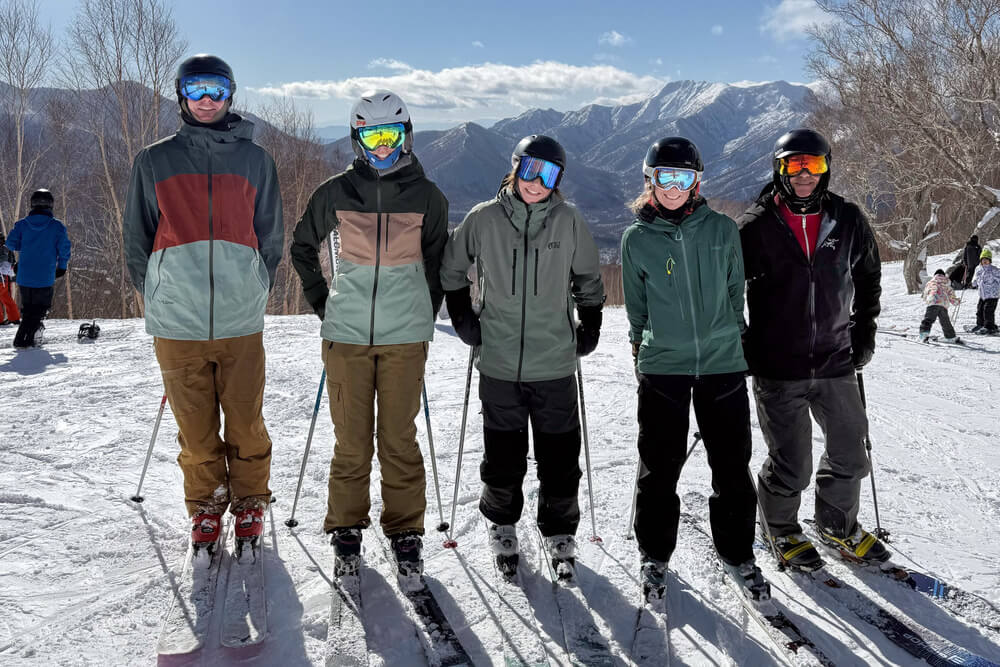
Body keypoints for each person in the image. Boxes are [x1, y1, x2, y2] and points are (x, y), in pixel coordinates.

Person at [123, 54, 283, 560]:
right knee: (194, 426)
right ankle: (207, 506)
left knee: (245, 421)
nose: (207, 99)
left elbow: (270, 234)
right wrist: (157, 292)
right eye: (196, 89)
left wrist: (256, 283)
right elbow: (137, 237)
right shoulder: (155, 160)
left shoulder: (256, 160)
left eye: (216, 88)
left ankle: (251, 501)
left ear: (231, 94)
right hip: (178, 321)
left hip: (239, 317)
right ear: (181, 96)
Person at [290, 90, 448, 580]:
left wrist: (423, 311)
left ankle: (405, 531)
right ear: (357, 138)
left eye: (392, 136)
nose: (383, 147)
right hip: (347, 338)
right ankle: (346, 528)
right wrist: (324, 303)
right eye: (372, 137)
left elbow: (440, 265)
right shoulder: (335, 192)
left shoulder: (427, 197)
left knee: (398, 438)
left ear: (406, 136)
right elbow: (301, 248)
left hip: (404, 341)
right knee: (352, 442)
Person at [440, 134, 604, 579]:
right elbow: (452, 268)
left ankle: (559, 530)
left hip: (554, 363)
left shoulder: (568, 221)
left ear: (557, 180)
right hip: (499, 360)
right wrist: (462, 315)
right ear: (515, 170)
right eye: (530, 170)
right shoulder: (484, 219)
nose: (537, 182)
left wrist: (590, 321)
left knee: (560, 455)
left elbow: (588, 277)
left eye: (548, 174)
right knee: (503, 456)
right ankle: (502, 524)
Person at [621, 137, 769, 602]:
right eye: (664, 177)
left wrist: (728, 336)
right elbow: (636, 308)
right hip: (663, 367)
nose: (673, 187)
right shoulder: (636, 239)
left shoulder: (722, 230)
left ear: (696, 182)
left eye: (682, 178)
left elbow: (733, 293)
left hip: (722, 365)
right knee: (659, 469)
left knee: (731, 467)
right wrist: (640, 351)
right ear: (650, 180)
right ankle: (654, 555)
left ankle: (739, 553)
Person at [738, 129, 885, 573]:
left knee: (850, 452)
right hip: (778, 367)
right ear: (780, 169)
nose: (805, 175)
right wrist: (744, 342)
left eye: (814, 165)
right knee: (792, 462)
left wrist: (863, 333)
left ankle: (836, 524)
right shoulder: (756, 226)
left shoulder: (847, 218)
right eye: (795, 166)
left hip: (836, 359)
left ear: (826, 168)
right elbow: (728, 292)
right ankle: (781, 528)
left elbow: (869, 278)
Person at [5, 189, 70, 348]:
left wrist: (26, 244)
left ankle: (26, 339)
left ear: (32, 204)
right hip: (45, 275)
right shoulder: (57, 226)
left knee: (28, 309)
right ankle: (22, 340)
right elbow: (64, 249)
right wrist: (61, 267)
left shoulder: (22, 224)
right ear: (51, 205)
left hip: (25, 274)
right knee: (40, 310)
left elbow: (11, 243)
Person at [918, 270, 959, 342]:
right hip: (943, 304)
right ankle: (951, 337)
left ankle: (923, 335)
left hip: (933, 301)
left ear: (935, 275)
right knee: (945, 322)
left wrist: (925, 298)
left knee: (929, 319)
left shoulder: (931, 282)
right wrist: (955, 301)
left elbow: (926, 291)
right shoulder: (946, 283)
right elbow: (951, 294)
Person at [970, 247, 1000, 335]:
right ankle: (980, 324)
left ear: (990, 261)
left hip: (992, 295)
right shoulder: (978, 269)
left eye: (987, 260)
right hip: (982, 295)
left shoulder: (994, 270)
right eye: (983, 260)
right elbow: (975, 278)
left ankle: (989, 327)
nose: (985, 262)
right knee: (979, 310)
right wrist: (973, 283)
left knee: (988, 311)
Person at [0, 231, 19, 326]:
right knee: (6, 298)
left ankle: (11, 318)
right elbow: (13, 261)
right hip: (4, 277)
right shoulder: (7, 247)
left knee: (6, 298)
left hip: (2, 277)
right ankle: (14, 318)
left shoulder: (4, 249)